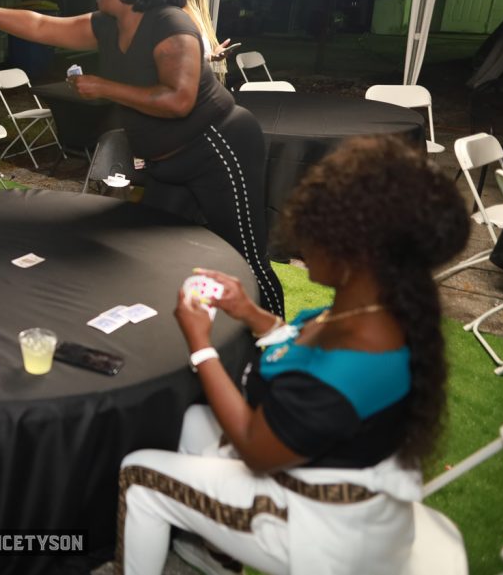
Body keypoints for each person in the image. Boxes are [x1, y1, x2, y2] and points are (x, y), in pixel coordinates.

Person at [117, 136, 470, 575]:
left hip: (320, 524)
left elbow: (255, 449)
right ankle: (219, 556)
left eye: (316, 231)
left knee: (140, 477)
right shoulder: (376, 306)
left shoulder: (354, 359)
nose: (301, 243)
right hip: (330, 476)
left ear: (354, 256)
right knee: (192, 422)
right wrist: (252, 314)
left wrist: (201, 346)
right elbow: (303, 348)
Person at [0, 0, 284, 315]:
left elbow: (179, 100)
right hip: (166, 163)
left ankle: (277, 336)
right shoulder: (108, 25)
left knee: (245, 254)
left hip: (217, 147)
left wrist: (105, 87)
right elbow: (40, 25)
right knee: (159, 256)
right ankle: (181, 333)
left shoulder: (170, 23)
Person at [169, 0, 231, 84]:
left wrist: (213, 55)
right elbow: (174, 61)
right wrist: (210, 57)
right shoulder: (168, 14)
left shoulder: (194, 9)